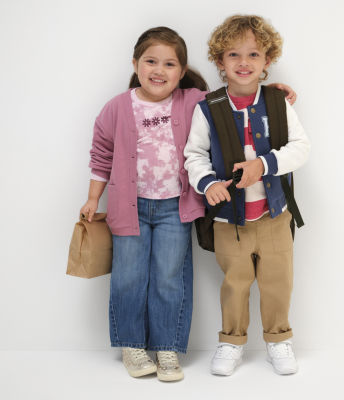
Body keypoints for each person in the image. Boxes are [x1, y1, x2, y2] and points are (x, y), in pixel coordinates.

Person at [80, 26, 297, 382]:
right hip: (128, 208)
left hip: (174, 209)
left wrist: (270, 92)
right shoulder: (117, 107)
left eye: (169, 64)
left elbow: (236, 95)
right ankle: (132, 345)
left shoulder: (192, 100)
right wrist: (93, 198)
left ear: (181, 71)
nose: (159, 71)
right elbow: (101, 154)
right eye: (150, 61)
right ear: (135, 64)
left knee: (170, 279)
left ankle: (167, 347)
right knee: (128, 277)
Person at [184, 15, 310, 376]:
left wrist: (265, 164)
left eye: (253, 54)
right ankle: (231, 342)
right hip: (230, 221)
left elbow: (300, 148)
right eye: (233, 54)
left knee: (278, 282)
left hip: (275, 216)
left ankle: (278, 340)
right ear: (220, 61)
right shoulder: (208, 108)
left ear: (267, 60)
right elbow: (194, 154)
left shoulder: (278, 102)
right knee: (234, 284)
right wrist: (207, 183)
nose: (244, 62)